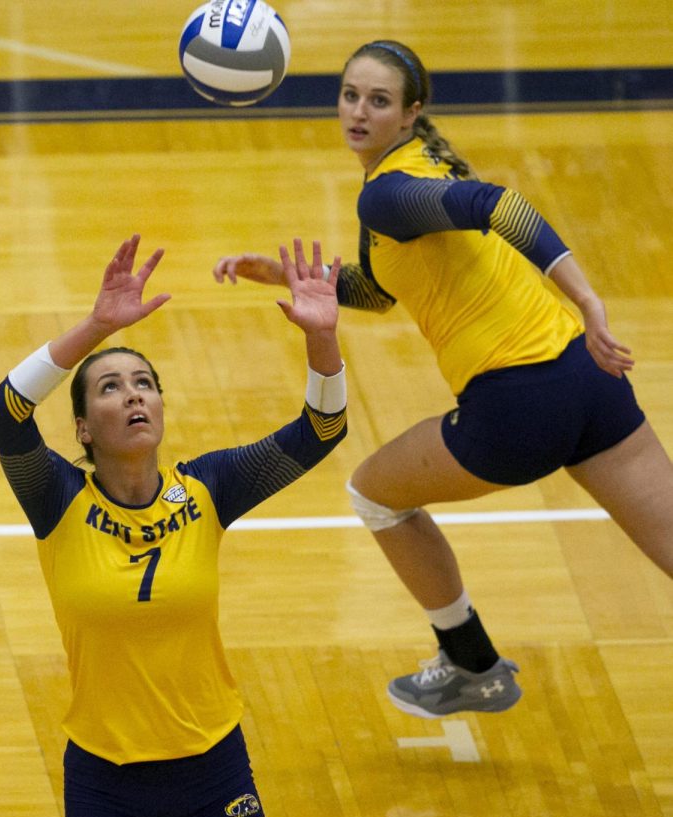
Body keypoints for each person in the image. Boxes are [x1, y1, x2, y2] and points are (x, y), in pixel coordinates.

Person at [213, 40, 673, 721]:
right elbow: (380, 291)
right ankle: (469, 664)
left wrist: (590, 299)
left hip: (516, 405)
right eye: (350, 95)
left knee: (374, 494)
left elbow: (500, 203)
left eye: (379, 101)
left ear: (410, 112)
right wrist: (285, 275)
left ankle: (470, 664)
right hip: (587, 383)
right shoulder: (410, 172)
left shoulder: (391, 193)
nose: (359, 112)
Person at [0, 234, 346, 817]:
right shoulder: (56, 498)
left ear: (159, 408)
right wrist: (96, 328)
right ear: (84, 429)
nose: (133, 396)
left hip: (210, 766)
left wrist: (321, 338)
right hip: (105, 778)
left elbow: (323, 429)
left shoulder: (210, 487)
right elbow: (6, 410)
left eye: (145, 384)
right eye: (110, 387)